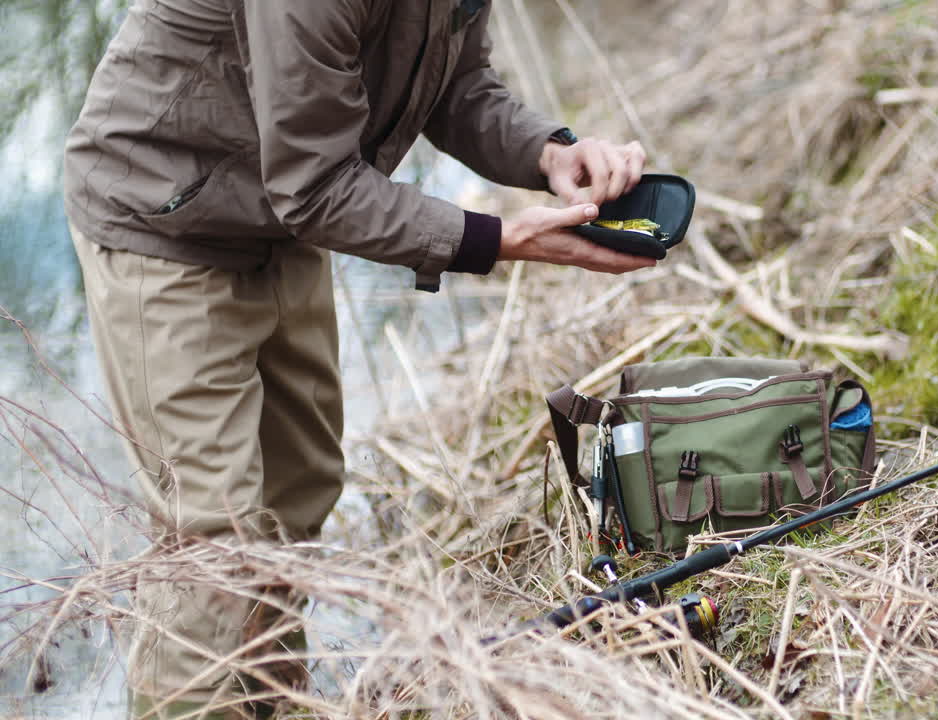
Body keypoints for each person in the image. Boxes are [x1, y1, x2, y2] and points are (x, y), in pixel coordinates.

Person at [62, 2, 653, 718]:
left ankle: (268, 705)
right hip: (164, 221)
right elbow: (312, 186)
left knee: (298, 491)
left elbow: (457, 84)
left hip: (276, 217)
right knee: (214, 543)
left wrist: (550, 152)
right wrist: (492, 239)